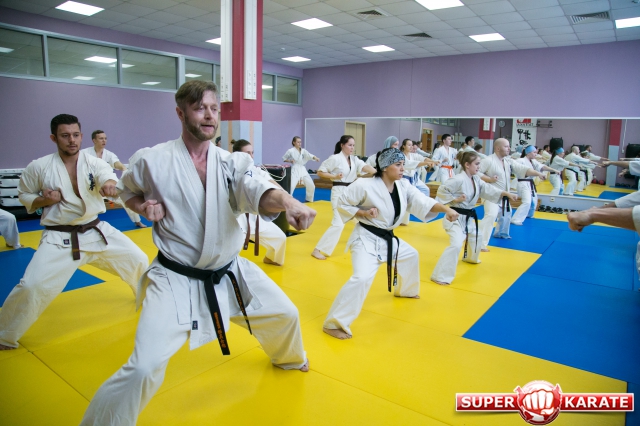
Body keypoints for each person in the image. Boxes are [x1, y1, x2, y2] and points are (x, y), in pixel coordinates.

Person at [81, 80, 316, 425]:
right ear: (180, 113)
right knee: (143, 367)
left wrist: (289, 202)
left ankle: (289, 358)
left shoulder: (232, 161)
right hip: (174, 277)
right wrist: (143, 207)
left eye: (214, 109)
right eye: (200, 108)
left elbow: (258, 188)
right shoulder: (152, 160)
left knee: (286, 314)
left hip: (229, 270)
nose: (209, 116)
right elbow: (126, 191)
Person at [0, 114, 148, 351]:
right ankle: (4, 334)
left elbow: (106, 177)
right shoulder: (39, 167)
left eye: (76, 135)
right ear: (54, 138)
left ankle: (147, 299)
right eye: (65, 135)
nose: (72, 140)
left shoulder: (94, 162)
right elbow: (24, 195)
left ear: (81, 136)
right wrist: (44, 200)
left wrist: (109, 185)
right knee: (31, 286)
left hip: (96, 230)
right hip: (60, 237)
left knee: (138, 259)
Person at [322, 148, 458, 339]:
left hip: (387, 238)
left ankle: (406, 291)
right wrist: (363, 212)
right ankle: (334, 323)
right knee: (361, 278)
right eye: (398, 165)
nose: (403, 169)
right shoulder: (364, 184)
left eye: (403, 165)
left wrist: (446, 209)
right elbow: (342, 203)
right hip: (366, 238)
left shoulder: (403, 186)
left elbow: (423, 201)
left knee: (410, 255)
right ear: (385, 167)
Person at [431, 151, 515, 285]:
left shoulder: (476, 179)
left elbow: (488, 189)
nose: (479, 167)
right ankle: (440, 276)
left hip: (469, 216)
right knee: (456, 244)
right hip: (455, 217)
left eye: (479, 164)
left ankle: (470, 258)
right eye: (476, 164)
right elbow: (442, 190)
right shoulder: (458, 179)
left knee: (477, 236)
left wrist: (505, 193)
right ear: (467, 165)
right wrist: (455, 199)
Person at [311, 135, 376, 260]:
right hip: (339, 193)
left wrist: (378, 173)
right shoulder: (335, 158)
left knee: (362, 220)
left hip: (351, 193)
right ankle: (317, 249)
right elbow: (320, 171)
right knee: (338, 224)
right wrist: (334, 176)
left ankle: (366, 245)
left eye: (353, 145)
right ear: (342, 145)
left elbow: (364, 167)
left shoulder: (354, 159)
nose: (352, 148)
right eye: (349, 145)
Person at [477, 138, 546, 251]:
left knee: (506, 216)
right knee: (491, 216)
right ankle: (479, 243)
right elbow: (476, 172)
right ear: (498, 148)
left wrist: (538, 173)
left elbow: (523, 169)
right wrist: (489, 179)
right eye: (506, 146)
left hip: (504, 196)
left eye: (509, 146)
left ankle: (501, 233)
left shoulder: (508, 161)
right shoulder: (488, 160)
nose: (509, 148)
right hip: (491, 195)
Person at [235, 139, 287, 266]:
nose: (251, 156)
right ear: (238, 155)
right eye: (247, 153)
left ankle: (272, 258)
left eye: (252, 153)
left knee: (280, 238)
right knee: (231, 253)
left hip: (256, 219)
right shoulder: (230, 171)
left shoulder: (257, 171)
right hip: (237, 221)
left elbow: (273, 184)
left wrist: (288, 199)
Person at [83, 130, 147, 228]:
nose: (104, 141)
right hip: (90, 186)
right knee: (86, 206)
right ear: (94, 140)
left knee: (127, 198)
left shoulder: (109, 154)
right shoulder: (84, 153)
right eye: (101, 138)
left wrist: (124, 169)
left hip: (108, 186)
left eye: (105, 138)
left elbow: (116, 163)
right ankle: (86, 224)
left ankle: (137, 221)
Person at [511, 145, 559, 225]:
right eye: (534, 152)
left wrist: (554, 170)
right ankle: (515, 219)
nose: (535, 154)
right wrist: (539, 174)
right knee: (527, 202)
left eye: (536, 152)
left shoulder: (533, 161)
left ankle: (529, 215)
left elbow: (543, 167)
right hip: (523, 183)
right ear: (528, 153)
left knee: (533, 201)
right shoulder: (520, 160)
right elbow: (525, 171)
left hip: (530, 183)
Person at [282, 136, 319, 202]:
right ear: (294, 142)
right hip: (295, 169)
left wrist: (315, 158)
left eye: (300, 142)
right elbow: (284, 158)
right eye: (298, 142)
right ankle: (287, 200)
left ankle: (309, 199)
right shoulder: (290, 151)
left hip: (302, 169)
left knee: (311, 185)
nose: (299, 143)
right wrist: (290, 161)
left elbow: (309, 155)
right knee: (291, 186)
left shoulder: (303, 151)